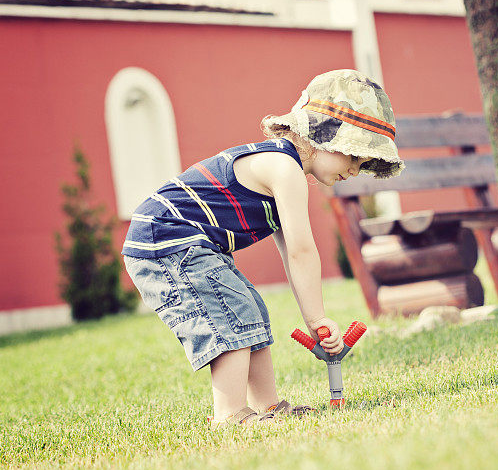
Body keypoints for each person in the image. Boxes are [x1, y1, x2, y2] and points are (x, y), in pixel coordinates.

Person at [122, 69, 403, 427]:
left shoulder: (285, 170)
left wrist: (312, 317)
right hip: (168, 236)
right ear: (323, 136)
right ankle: (229, 414)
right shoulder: (284, 169)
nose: (355, 170)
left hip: (186, 240)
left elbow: (290, 255)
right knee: (230, 309)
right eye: (354, 157)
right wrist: (317, 318)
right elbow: (302, 251)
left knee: (249, 305)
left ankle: (267, 406)